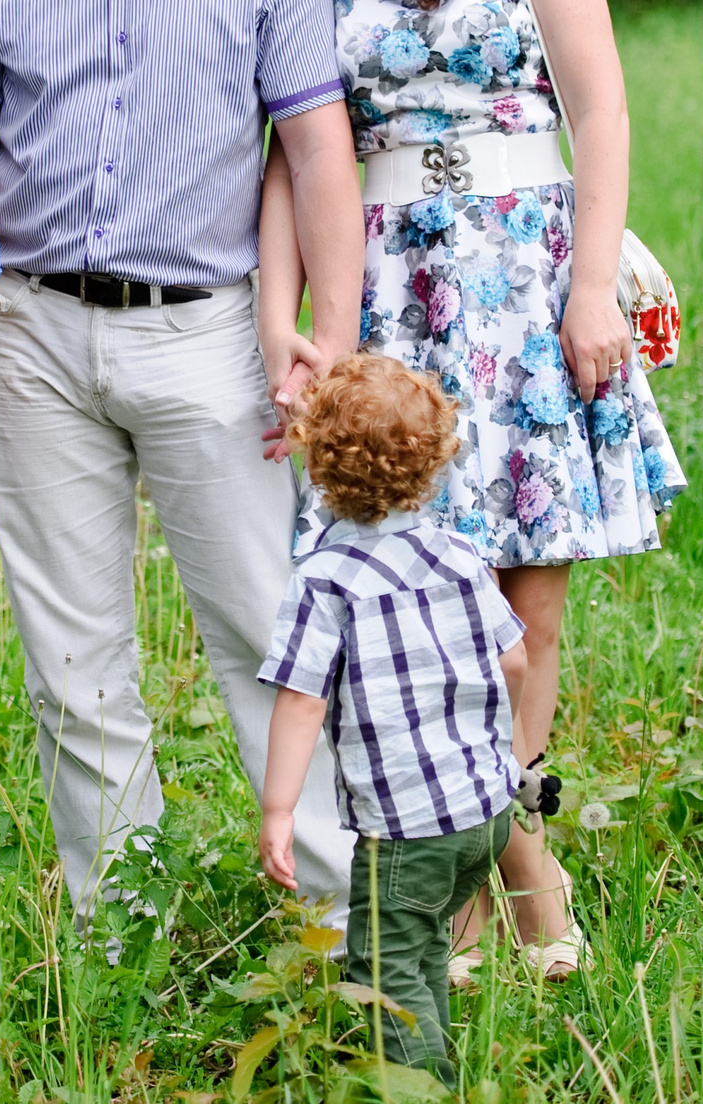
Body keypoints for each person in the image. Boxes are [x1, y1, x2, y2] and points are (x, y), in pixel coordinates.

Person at [239, 0, 684, 978]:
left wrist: (592, 287)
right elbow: (287, 167)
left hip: (527, 276)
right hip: (391, 300)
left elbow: (597, 104)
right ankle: (516, 878)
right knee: (422, 594)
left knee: (526, 603)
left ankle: (494, 877)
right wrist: (288, 325)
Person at [0, 0, 365, 920]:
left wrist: (324, 347)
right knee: (73, 666)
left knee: (261, 633)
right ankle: (119, 944)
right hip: (35, 336)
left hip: (209, 335)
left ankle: (340, 930)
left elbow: (318, 156)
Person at [256, 355, 532, 1082]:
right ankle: (439, 1062)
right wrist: (501, 745)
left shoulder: (326, 577)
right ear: (435, 460)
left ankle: (418, 1086)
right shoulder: (461, 555)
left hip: (406, 828)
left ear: (319, 466)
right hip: (483, 811)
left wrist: (280, 809)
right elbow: (514, 662)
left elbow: (302, 697)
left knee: (385, 967)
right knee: (426, 943)